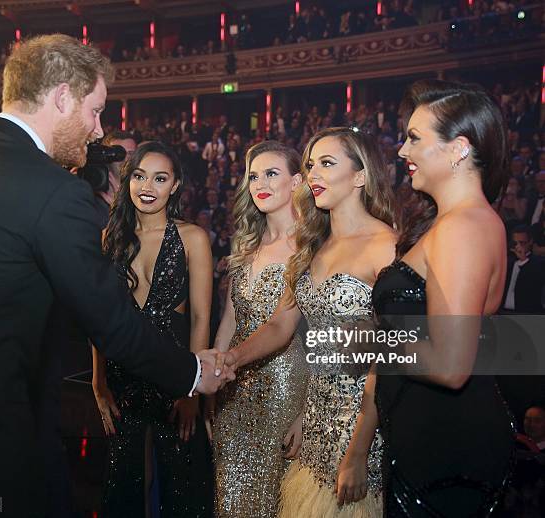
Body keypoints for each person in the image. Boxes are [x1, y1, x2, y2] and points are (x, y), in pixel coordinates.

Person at [0, 34, 231, 517]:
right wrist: (195, 372)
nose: (98, 131)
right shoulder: (56, 192)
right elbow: (110, 320)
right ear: (62, 98)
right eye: (95, 111)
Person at [216, 127, 397, 517]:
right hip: (315, 422)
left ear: (361, 176)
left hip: (362, 426)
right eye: (311, 164)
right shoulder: (315, 244)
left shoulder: (387, 246)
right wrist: (232, 358)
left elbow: (391, 355)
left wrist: (359, 450)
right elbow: (281, 326)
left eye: (326, 164)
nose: (313, 173)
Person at [371, 79, 515, 516]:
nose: (401, 151)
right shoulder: (456, 223)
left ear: (458, 149)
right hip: (431, 438)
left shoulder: (464, 227)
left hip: (446, 448)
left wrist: (369, 343)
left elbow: (451, 365)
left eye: (414, 138)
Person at [92, 141, 214, 517]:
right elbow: (100, 319)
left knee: (183, 487)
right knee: (121, 486)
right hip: (122, 377)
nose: (148, 187)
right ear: (128, 180)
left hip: (173, 375)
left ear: (175, 185)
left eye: (160, 178)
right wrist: (98, 383)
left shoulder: (192, 237)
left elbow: (200, 320)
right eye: (140, 176)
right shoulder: (109, 239)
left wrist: (193, 388)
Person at [211, 141, 309, 517]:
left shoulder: (309, 244)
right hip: (232, 391)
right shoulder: (247, 242)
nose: (260, 183)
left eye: (272, 174)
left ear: (297, 181)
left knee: (276, 499)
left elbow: (281, 328)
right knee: (233, 495)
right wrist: (215, 377)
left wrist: (308, 414)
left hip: (284, 386)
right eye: (253, 176)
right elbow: (229, 320)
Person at [93, 130, 138, 228]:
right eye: (118, 154)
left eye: (131, 153)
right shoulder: (93, 197)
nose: (126, 159)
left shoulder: (144, 194)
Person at [501, 225, 545, 314]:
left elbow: (535, 283)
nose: (518, 246)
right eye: (515, 243)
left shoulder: (539, 263)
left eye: (522, 243)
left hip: (526, 314)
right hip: (503, 313)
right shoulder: (507, 261)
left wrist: (524, 260)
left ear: (530, 242)